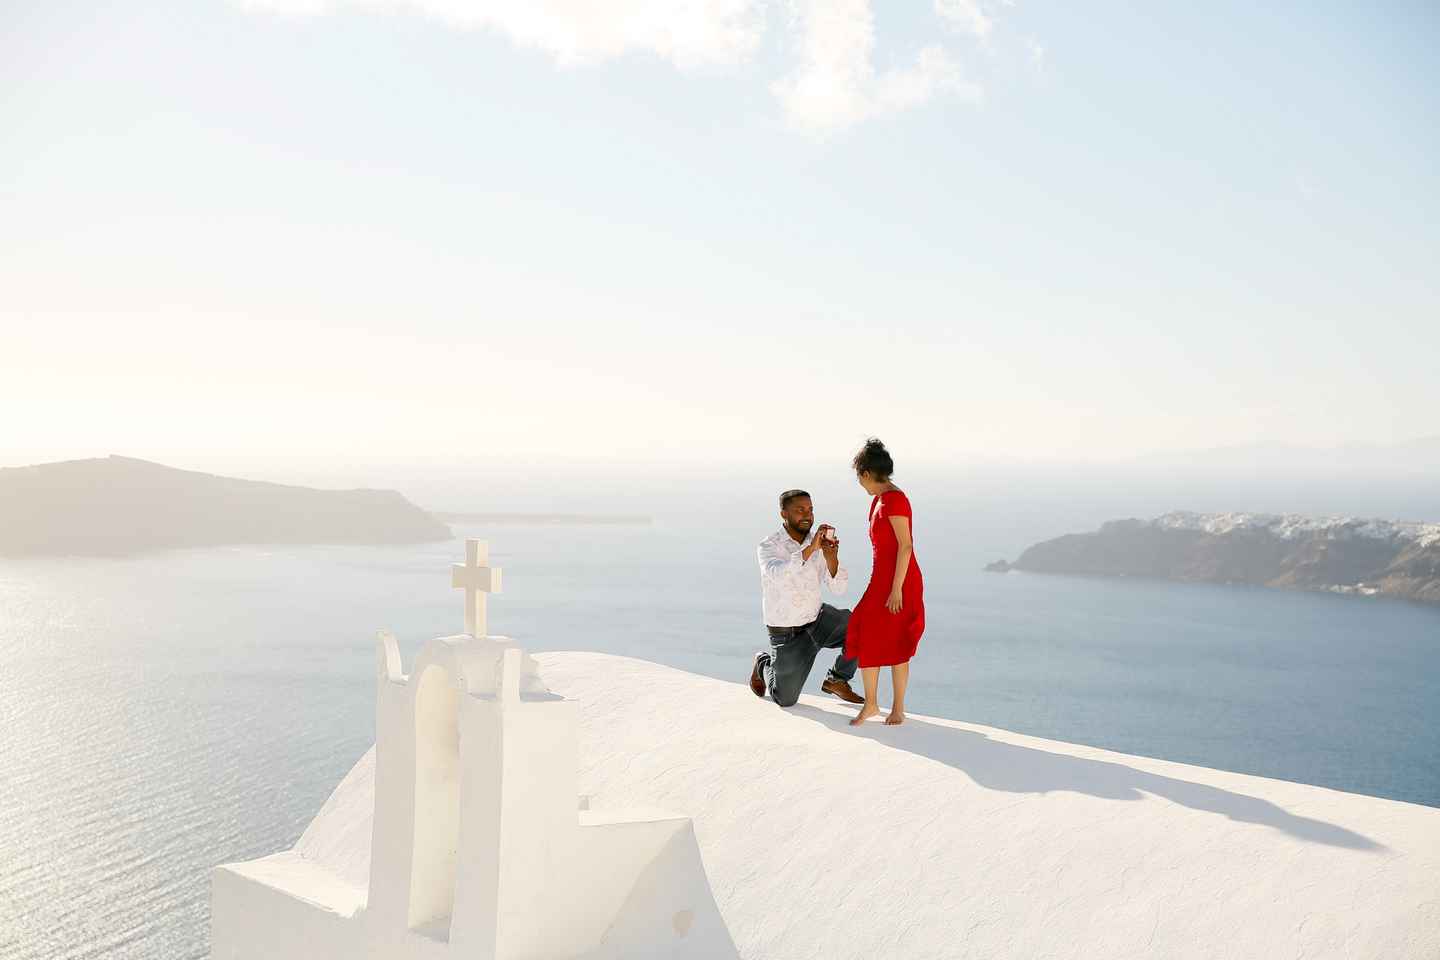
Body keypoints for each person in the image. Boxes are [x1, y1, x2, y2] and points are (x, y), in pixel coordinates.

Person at [749, 489, 865, 707]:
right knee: (785, 699)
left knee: (862, 627)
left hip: (818, 619)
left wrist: (832, 558)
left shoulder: (818, 543)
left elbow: (839, 589)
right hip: (787, 633)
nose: (808, 515)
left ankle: (837, 679)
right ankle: (763, 663)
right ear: (783, 514)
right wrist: (811, 549)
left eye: (810, 510)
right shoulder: (769, 545)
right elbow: (778, 574)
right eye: (800, 510)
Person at [844, 438, 925, 725]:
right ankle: (872, 704)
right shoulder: (878, 500)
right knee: (866, 632)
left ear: (867, 473)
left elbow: (906, 546)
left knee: (897, 639)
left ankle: (897, 709)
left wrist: (896, 589)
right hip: (881, 580)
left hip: (899, 582)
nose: (859, 483)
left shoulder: (894, 500)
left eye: (859, 477)